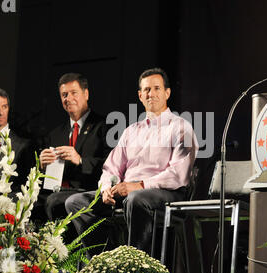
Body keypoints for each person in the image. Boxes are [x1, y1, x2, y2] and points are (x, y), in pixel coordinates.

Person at [65, 68, 199, 255]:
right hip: (126, 194)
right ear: (140, 95)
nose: (150, 94)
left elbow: (178, 174)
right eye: (146, 90)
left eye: (156, 88)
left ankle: (136, 267)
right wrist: (105, 188)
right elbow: (111, 167)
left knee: (136, 199)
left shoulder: (181, 127)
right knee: (76, 202)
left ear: (167, 93)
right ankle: (106, 261)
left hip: (165, 194)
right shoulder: (131, 131)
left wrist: (139, 185)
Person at [36, 73, 110, 226]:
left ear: (86, 94)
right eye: (64, 95)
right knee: (30, 203)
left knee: (54, 202)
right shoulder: (55, 134)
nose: (68, 98)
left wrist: (81, 160)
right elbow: (46, 178)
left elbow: (112, 166)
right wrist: (43, 166)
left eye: (73, 93)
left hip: (88, 191)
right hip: (56, 190)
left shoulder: (105, 126)